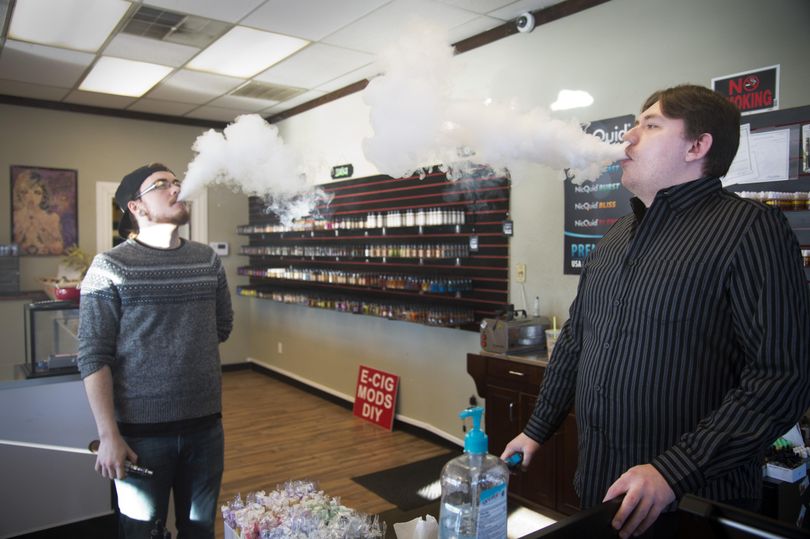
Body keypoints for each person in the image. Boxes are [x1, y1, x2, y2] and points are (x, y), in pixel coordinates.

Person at [502, 84, 810, 538]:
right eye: (634, 123)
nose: (629, 136)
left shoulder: (751, 231)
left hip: (691, 505)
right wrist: (536, 429)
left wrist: (674, 470)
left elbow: (781, 377)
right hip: (601, 494)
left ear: (697, 146)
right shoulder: (614, 237)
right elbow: (576, 341)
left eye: (650, 125)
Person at [78, 163, 234, 538]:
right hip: (139, 436)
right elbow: (92, 355)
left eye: (176, 181)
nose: (176, 188)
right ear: (136, 207)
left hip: (205, 428)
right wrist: (109, 436)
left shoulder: (207, 260)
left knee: (199, 531)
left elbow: (222, 327)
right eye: (162, 185)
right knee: (141, 533)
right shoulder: (109, 266)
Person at [12, 169, 64, 255]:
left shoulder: (52, 218)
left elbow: (58, 248)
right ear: (19, 194)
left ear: (43, 195)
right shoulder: (15, 217)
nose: (31, 197)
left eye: (37, 192)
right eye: (25, 192)